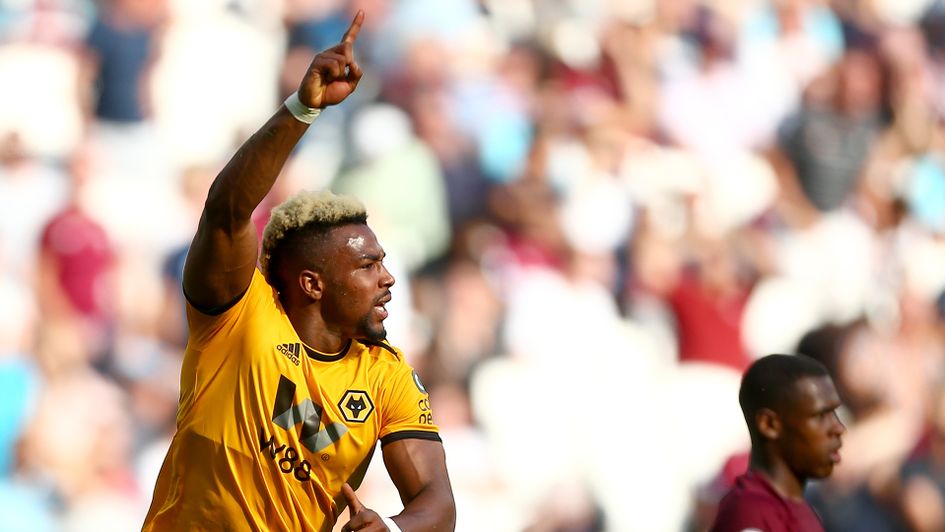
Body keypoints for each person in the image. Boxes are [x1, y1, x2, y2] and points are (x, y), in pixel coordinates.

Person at [142, 11, 456, 532]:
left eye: (383, 263)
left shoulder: (385, 376)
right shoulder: (238, 315)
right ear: (312, 283)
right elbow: (227, 211)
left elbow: (437, 501)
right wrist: (302, 109)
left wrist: (396, 530)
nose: (388, 278)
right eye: (368, 265)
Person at [710, 354, 845, 532]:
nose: (839, 428)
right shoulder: (750, 514)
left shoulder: (801, 511)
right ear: (769, 425)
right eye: (820, 416)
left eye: (834, 413)